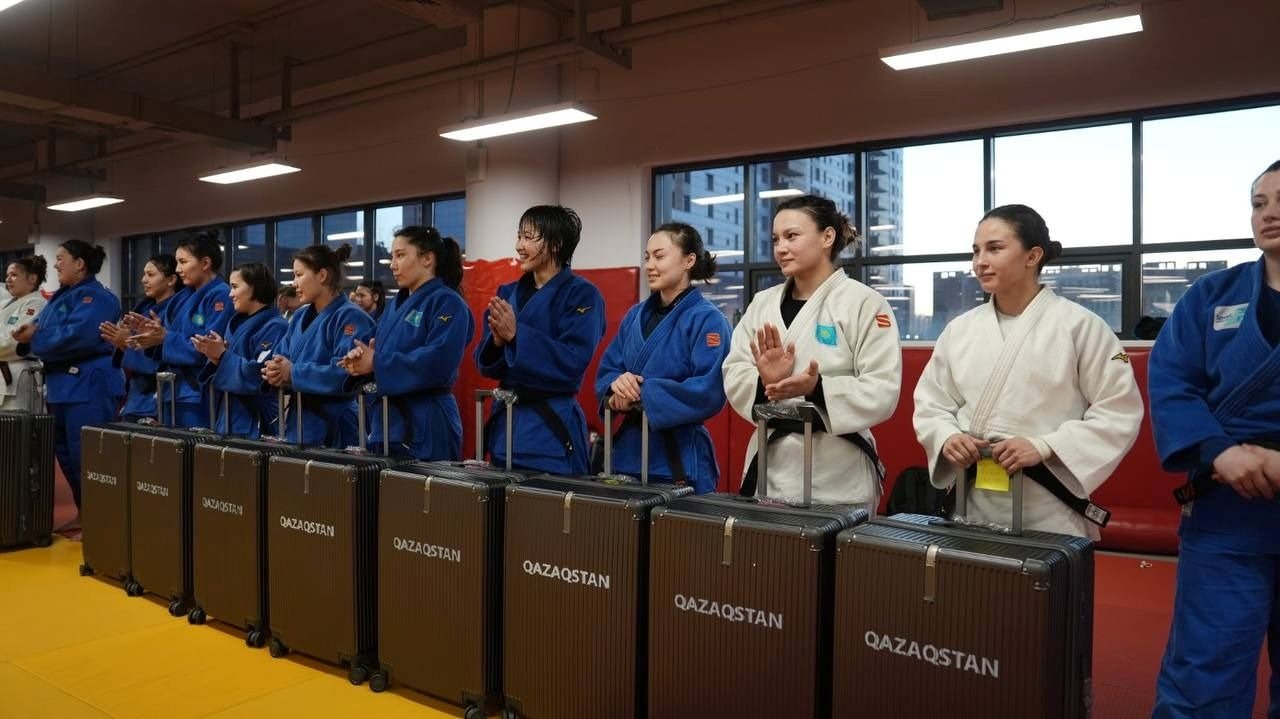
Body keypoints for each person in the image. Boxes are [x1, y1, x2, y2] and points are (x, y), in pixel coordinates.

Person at [913, 204, 1142, 539]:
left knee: (1040, 573)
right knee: (966, 572)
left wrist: (1044, 445)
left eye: (994, 249)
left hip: (1048, 505)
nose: (980, 262)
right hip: (970, 498)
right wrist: (947, 436)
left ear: (1033, 256)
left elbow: (1119, 410)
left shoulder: (1082, 327)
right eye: (976, 251)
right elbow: (931, 402)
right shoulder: (959, 330)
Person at [1150, 160, 1280, 718]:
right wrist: (1218, 450)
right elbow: (1171, 380)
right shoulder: (1212, 295)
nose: (1269, 213)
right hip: (1228, 508)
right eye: (1259, 203)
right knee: (1204, 673)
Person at [723, 195, 900, 507]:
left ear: (827, 237)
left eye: (791, 236)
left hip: (839, 473)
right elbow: (735, 368)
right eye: (776, 239)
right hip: (771, 467)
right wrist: (765, 384)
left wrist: (817, 389)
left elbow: (882, 388)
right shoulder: (762, 303)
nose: (780, 248)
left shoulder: (864, 303)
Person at [594, 223, 731, 492]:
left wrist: (642, 393)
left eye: (659, 256)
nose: (650, 265)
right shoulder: (634, 316)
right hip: (627, 455)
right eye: (647, 257)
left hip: (679, 458)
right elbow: (609, 371)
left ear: (689, 261)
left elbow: (709, 390)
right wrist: (616, 387)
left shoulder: (708, 319)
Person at [474, 205, 605, 474]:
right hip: (505, 427)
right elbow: (487, 364)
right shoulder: (508, 292)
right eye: (518, 236)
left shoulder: (583, 295)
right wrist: (498, 342)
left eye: (528, 237)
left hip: (549, 431)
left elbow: (572, 361)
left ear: (555, 244)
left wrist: (516, 336)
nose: (519, 246)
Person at [339, 226, 473, 459]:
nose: (392, 264)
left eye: (400, 255)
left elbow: (439, 361)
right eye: (392, 257)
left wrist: (377, 362)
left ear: (427, 258)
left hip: (427, 421)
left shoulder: (448, 302)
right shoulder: (395, 305)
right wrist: (358, 359)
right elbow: (368, 345)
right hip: (387, 423)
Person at [11, 240, 124, 517]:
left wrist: (35, 336)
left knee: (90, 457)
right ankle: (87, 515)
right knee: (66, 455)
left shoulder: (98, 297)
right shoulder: (61, 297)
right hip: (61, 385)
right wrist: (28, 335)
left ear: (80, 264)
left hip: (89, 384)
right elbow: (39, 328)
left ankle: (103, 519)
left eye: (61, 258)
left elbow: (79, 335)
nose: (56, 264)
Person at [262, 244, 374, 446]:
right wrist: (275, 371)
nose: (294, 283)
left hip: (337, 424)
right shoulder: (299, 316)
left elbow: (346, 372)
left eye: (299, 275)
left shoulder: (352, 317)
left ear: (322, 275)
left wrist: (293, 373)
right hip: (300, 421)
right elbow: (281, 356)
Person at [130, 231, 231, 428]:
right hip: (172, 387)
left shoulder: (220, 295)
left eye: (183, 262)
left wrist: (165, 338)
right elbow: (166, 337)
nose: (178, 269)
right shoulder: (183, 296)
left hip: (197, 392)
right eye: (177, 262)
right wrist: (152, 335)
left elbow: (208, 347)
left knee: (193, 446)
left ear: (205, 263)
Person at [192, 263, 287, 439]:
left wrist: (222, 355)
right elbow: (222, 365)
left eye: (235, 287)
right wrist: (213, 357)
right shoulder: (234, 323)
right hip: (227, 416)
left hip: (257, 421)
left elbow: (260, 374)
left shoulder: (276, 326)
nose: (230, 294)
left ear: (254, 288)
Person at [100, 255, 185, 422]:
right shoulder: (144, 309)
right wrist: (121, 341)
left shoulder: (177, 312)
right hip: (136, 395)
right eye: (144, 274)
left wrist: (127, 343)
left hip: (158, 396)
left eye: (151, 275)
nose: (144, 280)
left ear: (171, 280)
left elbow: (160, 359)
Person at [0, 256, 49, 411]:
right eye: (7, 275)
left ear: (32, 279)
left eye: (14, 275)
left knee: (18, 422)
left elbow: (17, 340)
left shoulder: (37, 303)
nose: (8, 279)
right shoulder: (4, 303)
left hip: (21, 373)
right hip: (4, 374)